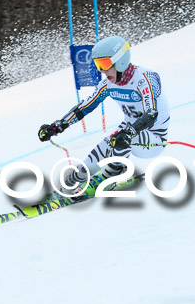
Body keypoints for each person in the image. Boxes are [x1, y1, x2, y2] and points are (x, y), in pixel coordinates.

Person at [37, 35, 170, 198]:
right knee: (99, 152)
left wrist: (130, 133)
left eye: (105, 64)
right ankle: (73, 182)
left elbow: (152, 114)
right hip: (127, 132)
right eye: (98, 65)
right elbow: (85, 107)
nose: (103, 71)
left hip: (154, 138)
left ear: (120, 61)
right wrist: (57, 126)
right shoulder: (107, 85)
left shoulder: (145, 78)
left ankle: (116, 172)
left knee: (120, 140)